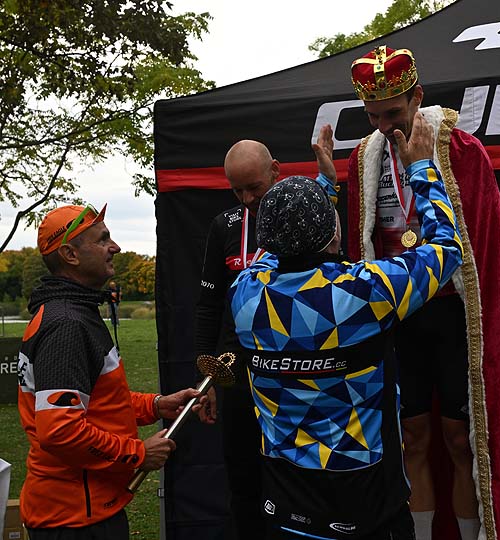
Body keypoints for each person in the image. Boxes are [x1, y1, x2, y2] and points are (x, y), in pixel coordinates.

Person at [347, 45, 500, 539]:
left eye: (393, 113)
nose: (383, 125)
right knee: (411, 437)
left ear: (417, 98)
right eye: (372, 115)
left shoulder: (462, 150)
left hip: (454, 315)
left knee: (460, 439)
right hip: (399, 315)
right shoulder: (364, 157)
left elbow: (490, 248)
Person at [229, 113, 462, 539]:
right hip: (366, 506)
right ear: (332, 234)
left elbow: (276, 247)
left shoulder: (244, 294)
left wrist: (321, 187)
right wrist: (421, 169)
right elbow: (447, 248)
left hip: (284, 505)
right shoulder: (364, 293)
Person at [17, 204, 209, 539]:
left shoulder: (75, 313)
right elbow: (60, 430)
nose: (115, 247)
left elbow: (94, 401)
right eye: (103, 239)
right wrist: (137, 454)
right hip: (73, 519)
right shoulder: (66, 324)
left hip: (84, 512)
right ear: (70, 255)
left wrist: (156, 405)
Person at [194, 132, 336, 537]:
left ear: (275, 171)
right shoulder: (225, 226)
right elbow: (208, 305)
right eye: (237, 190)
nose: (247, 199)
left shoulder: (305, 212)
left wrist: (328, 180)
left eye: (253, 187)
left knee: (302, 474)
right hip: (238, 373)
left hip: (294, 370)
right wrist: (206, 378)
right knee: (243, 478)